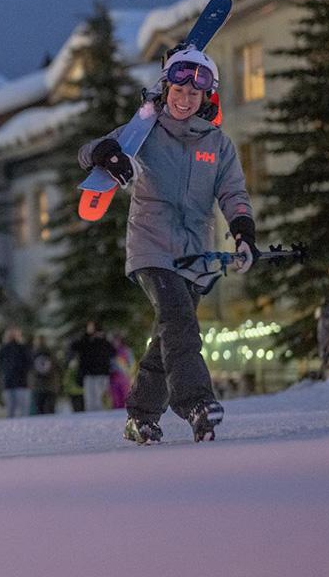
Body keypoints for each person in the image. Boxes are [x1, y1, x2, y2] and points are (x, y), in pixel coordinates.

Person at [78, 48, 255, 443]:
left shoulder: (218, 144)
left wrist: (244, 232)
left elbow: (234, 194)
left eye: (194, 93)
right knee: (179, 322)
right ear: (166, 90)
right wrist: (110, 155)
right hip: (151, 246)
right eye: (178, 91)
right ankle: (196, 403)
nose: (184, 99)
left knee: (168, 335)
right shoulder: (145, 131)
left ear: (206, 97)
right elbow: (87, 153)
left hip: (196, 254)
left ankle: (141, 416)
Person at [68, 321, 115, 411]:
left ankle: (103, 415)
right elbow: (74, 346)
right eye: (89, 327)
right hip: (88, 373)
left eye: (92, 327)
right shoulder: (85, 340)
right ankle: (92, 416)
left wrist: (102, 338)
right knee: (90, 399)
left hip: (102, 373)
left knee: (100, 398)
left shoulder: (103, 340)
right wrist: (85, 338)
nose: (90, 329)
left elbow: (112, 352)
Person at [0, 326, 32, 418]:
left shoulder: (23, 348)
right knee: (12, 411)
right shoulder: (4, 349)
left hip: (20, 383)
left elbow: (29, 365)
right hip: (11, 383)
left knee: (21, 410)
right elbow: (1, 366)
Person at [28, 334, 60, 415]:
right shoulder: (51, 353)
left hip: (38, 386)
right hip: (51, 386)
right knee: (50, 410)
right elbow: (58, 368)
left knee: (39, 411)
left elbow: (28, 369)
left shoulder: (32, 354)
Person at [109, 331, 136, 409]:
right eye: (114, 340)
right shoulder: (110, 351)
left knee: (125, 397)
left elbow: (131, 363)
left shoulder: (126, 350)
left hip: (123, 377)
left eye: (117, 339)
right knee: (115, 400)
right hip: (113, 377)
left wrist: (130, 375)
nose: (115, 342)